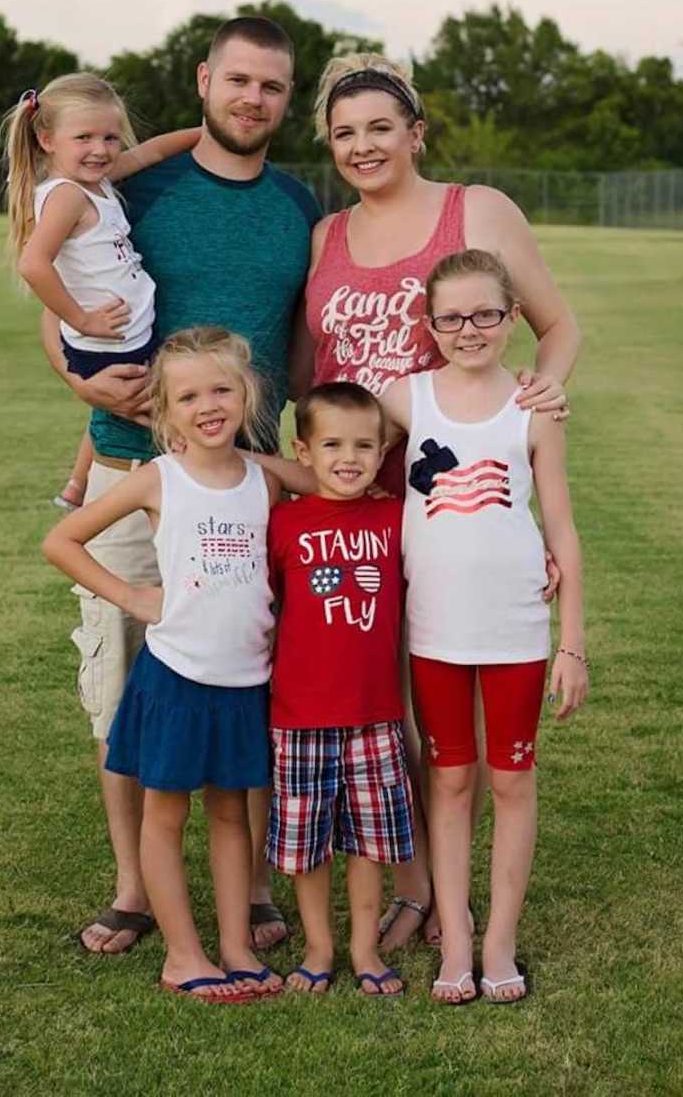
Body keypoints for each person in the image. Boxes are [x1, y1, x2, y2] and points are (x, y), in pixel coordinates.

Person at [40, 18, 321, 953]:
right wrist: (77, 377)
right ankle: (132, 888)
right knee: (125, 686)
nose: (253, 98)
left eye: (272, 87)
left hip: (250, 488)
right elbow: (57, 295)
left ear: (287, 99)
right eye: (238, 79)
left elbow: (303, 346)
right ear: (204, 80)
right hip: (133, 467)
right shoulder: (133, 186)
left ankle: (251, 892)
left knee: (249, 680)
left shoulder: (295, 204)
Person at [290, 53, 581, 950]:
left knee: (437, 701)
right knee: (381, 703)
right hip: (348, 499)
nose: (364, 147)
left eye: (382, 128)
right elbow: (312, 369)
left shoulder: (476, 212)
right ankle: (415, 881)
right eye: (344, 134)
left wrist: (540, 395)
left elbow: (555, 324)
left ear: (416, 133)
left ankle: (434, 897)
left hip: (444, 500)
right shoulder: (327, 235)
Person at [42, 327, 284, 1002]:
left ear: (247, 394)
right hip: (176, 677)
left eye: (221, 389)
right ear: (164, 412)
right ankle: (183, 953)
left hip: (243, 682)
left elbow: (330, 477)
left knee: (232, 814)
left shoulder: (264, 479)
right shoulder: (159, 478)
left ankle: (234, 945)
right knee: (166, 815)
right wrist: (128, 595)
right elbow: (61, 539)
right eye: (188, 397)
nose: (208, 405)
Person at [380, 248, 588, 1003]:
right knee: (452, 778)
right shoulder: (406, 398)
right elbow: (327, 436)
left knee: (511, 779)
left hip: (516, 629)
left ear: (512, 319)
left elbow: (560, 528)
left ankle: (499, 938)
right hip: (434, 627)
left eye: (486, 315)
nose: (469, 330)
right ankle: (456, 936)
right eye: (452, 317)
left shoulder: (533, 405)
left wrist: (572, 640)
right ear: (430, 323)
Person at [266, 382, 413, 997]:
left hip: (374, 715)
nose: (348, 458)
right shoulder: (281, 524)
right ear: (304, 451)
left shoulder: (395, 518)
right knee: (308, 846)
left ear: (383, 454)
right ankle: (320, 948)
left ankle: (363, 949)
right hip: (298, 715)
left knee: (368, 842)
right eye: (332, 444)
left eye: (363, 446)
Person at [2, 72, 199, 510]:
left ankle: (76, 485)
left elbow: (151, 151)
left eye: (111, 137)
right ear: (47, 139)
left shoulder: (98, 181)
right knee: (163, 409)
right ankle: (101, 487)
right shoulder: (68, 196)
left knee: (145, 406)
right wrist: (82, 319)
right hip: (111, 342)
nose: (101, 149)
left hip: (129, 334)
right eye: (84, 137)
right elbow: (33, 264)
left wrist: (208, 133)